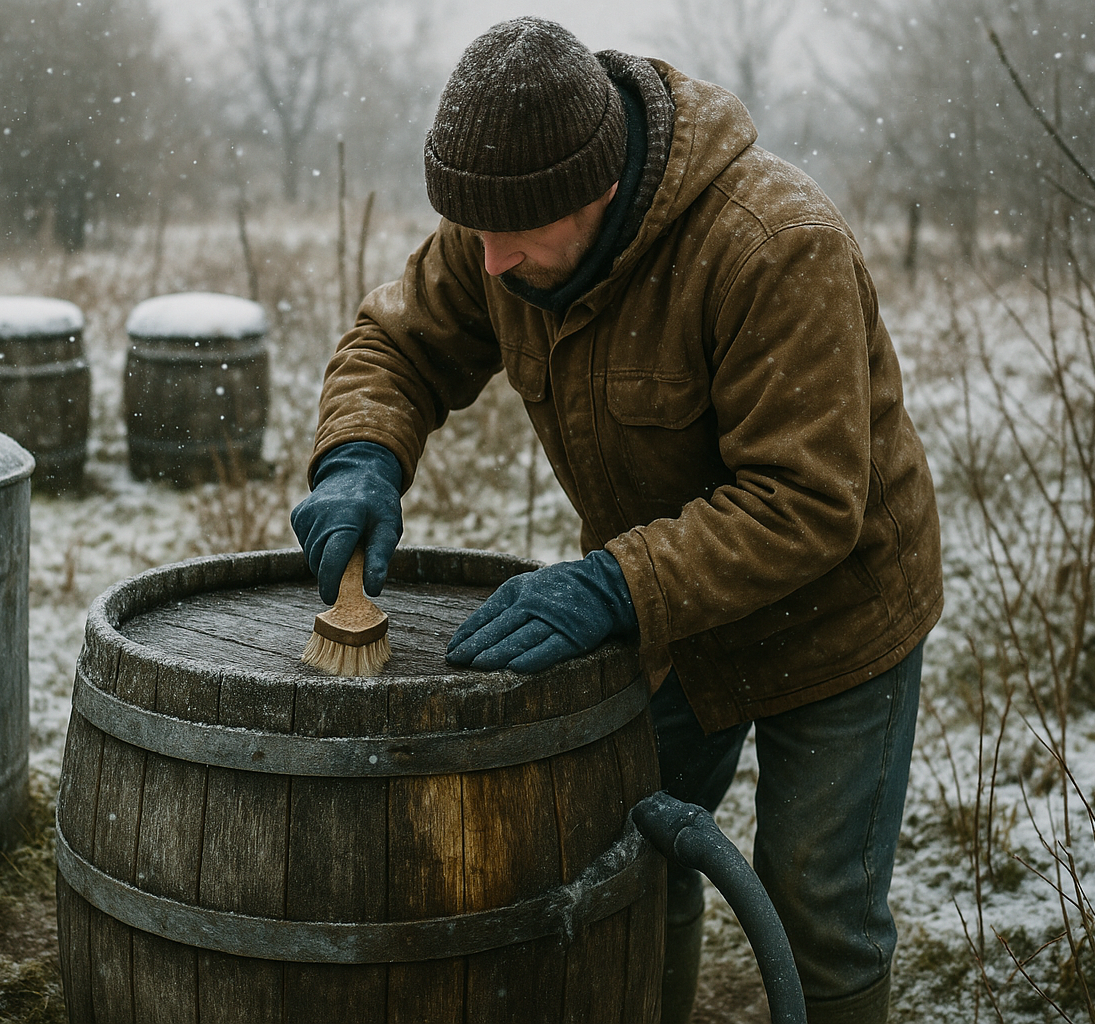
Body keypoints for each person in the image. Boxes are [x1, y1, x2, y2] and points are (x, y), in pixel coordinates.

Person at [289, 16, 942, 1024]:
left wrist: (613, 584)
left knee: (819, 902)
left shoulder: (772, 245)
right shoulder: (501, 228)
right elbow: (396, 344)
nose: (491, 262)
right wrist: (360, 456)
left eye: (514, 235)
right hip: (673, 615)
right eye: (476, 231)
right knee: (635, 856)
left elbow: (807, 502)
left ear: (598, 187)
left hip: (835, 621)